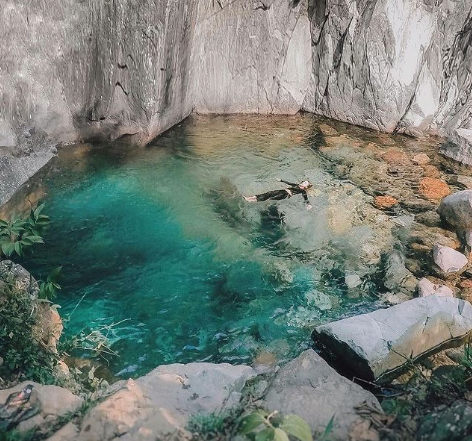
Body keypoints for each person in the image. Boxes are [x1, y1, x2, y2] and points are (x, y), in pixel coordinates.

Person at [244, 178, 313, 210]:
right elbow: (289, 183)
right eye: (304, 181)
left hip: (284, 195)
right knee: (269, 193)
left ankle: (251, 200)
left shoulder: (303, 191)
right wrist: (281, 180)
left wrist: (309, 205)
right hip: (282, 191)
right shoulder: (297, 185)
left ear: (306, 187)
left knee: (269, 197)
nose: (303, 182)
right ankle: (250, 198)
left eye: (305, 183)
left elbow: (306, 199)